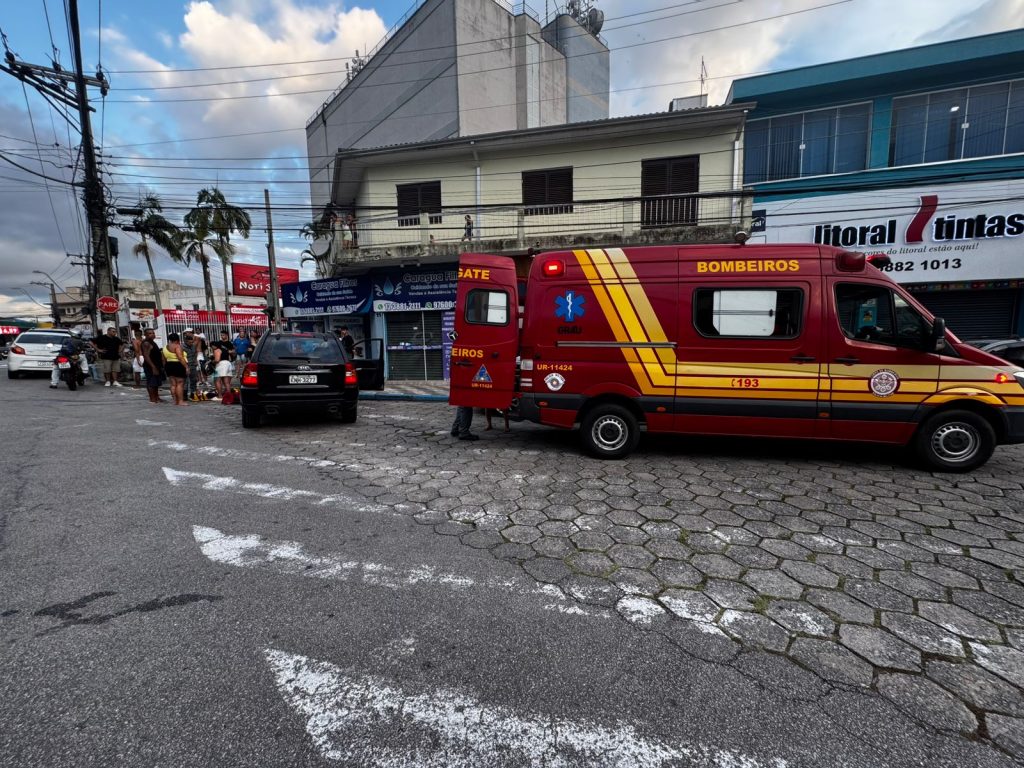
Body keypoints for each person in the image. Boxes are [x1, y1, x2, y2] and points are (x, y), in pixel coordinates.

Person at [140, 328, 166, 403]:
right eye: (150, 333)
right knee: (151, 382)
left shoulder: (152, 342)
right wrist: (153, 367)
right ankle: (152, 398)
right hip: (150, 366)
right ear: (145, 335)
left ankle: (157, 397)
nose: (152, 335)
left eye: (153, 333)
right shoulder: (146, 343)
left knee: (156, 383)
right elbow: (146, 356)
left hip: (157, 365)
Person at [163, 332, 189, 406]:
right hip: (178, 365)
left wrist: (165, 367)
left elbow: (163, 359)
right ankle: (180, 401)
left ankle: (175, 401)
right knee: (180, 384)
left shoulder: (165, 347)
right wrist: (186, 367)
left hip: (169, 365)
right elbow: (180, 357)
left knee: (173, 385)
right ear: (177, 339)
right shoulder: (177, 346)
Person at [211, 329, 235, 398]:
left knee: (217, 380)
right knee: (226, 382)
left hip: (222, 364)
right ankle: (229, 396)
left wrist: (212, 362)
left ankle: (220, 396)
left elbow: (217, 360)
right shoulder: (224, 350)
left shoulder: (217, 350)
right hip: (228, 363)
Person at [182, 330, 199, 400]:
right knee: (185, 381)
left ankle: (193, 394)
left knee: (194, 380)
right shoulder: (182, 347)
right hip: (185, 365)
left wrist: (195, 360)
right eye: (190, 342)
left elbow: (195, 353)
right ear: (186, 341)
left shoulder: (193, 346)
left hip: (193, 365)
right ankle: (184, 396)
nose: (191, 343)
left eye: (192, 342)